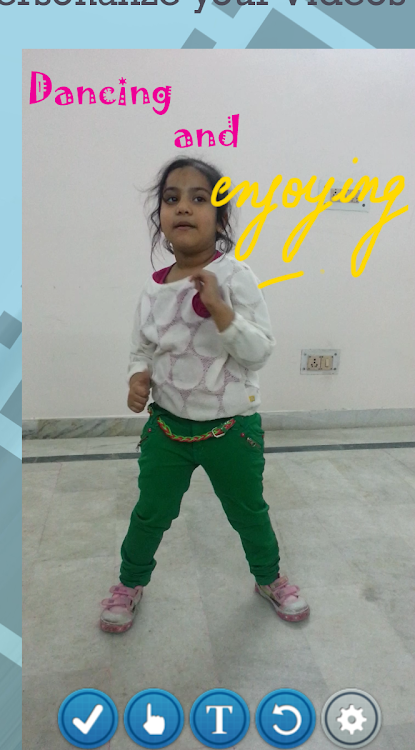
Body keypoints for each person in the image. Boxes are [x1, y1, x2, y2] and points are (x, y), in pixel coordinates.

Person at [100, 156, 310, 633]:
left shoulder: (235, 277)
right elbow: (142, 348)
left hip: (232, 430)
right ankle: (129, 583)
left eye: (199, 198)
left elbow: (259, 352)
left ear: (220, 218)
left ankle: (269, 578)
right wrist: (137, 376)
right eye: (171, 198)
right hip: (167, 430)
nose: (183, 207)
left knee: (248, 512)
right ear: (160, 217)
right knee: (150, 512)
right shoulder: (152, 291)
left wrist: (221, 310)